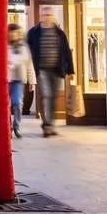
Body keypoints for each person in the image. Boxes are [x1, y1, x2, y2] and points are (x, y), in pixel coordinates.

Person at [27, 8, 74, 138]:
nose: (47, 17)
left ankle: (50, 124)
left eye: (49, 15)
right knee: (46, 95)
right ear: (40, 16)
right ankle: (47, 125)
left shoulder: (59, 33)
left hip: (57, 70)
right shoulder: (33, 33)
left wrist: (70, 69)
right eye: (44, 15)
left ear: (53, 16)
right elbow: (27, 50)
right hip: (41, 69)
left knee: (53, 97)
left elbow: (66, 51)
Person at [7, 24, 35, 139]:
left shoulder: (24, 47)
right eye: (11, 33)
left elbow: (29, 65)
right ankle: (8, 127)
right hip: (6, 80)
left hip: (19, 80)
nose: (14, 35)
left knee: (17, 103)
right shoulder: (4, 46)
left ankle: (16, 126)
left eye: (16, 33)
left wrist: (32, 81)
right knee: (6, 104)